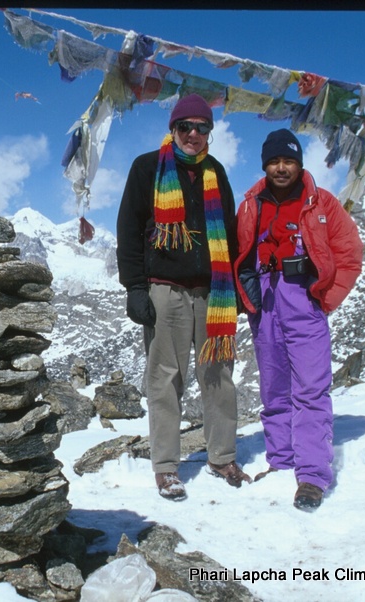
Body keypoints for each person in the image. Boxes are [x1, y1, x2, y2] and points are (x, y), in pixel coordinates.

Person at [116, 93, 252, 501]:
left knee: (218, 377)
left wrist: (236, 287)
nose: (193, 134)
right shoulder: (147, 169)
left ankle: (222, 455)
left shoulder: (216, 173)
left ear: (210, 132)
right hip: (166, 291)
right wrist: (136, 288)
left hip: (213, 293)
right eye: (185, 127)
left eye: (202, 127)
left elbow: (227, 233)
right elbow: (129, 229)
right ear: (172, 129)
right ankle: (166, 467)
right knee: (164, 381)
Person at [234, 129, 363, 511]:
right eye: (274, 161)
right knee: (274, 389)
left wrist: (325, 300)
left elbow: (349, 254)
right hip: (265, 303)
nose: (281, 167)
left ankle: (311, 476)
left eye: (288, 160)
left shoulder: (321, 203)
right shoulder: (250, 203)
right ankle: (281, 461)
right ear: (265, 165)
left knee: (310, 389)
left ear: (299, 163)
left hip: (304, 300)